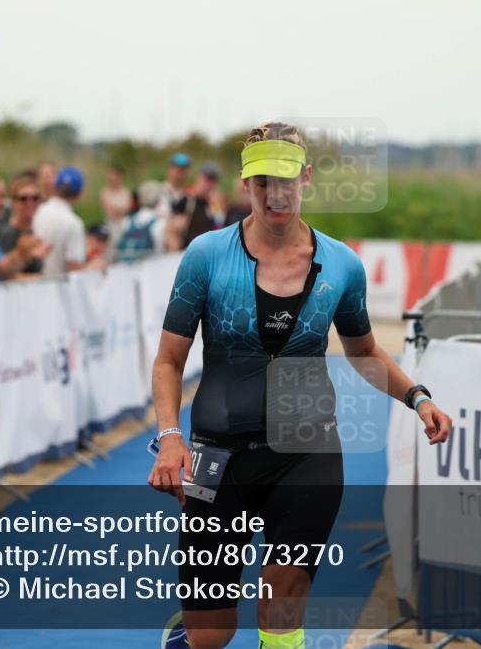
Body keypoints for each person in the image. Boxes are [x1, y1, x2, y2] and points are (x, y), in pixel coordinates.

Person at [149, 122, 452, 649]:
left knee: (283, 609)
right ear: (247, 185)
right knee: (209, 636)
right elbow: (169, 360)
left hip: (306, 449)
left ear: (306, 177)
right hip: (216, 454)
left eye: (286, 178)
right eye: (263, 181)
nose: (276, 193)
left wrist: (417, 397)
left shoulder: (341, 264)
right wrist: (171, 436)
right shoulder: (206, 255)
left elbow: (365, 351)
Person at [32, 165, 97, 277]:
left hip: (35, 286)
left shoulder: (38, 211)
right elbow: (75, 269)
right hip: (58, 289)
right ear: (80, 193)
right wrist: (96, 266)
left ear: (55, 187)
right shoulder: (74, 223)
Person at [0, 174, 46, 276]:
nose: (30, 203)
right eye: (23, 198)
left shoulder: (35, 230)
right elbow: (4, 275)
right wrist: (40, 279)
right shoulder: (8, 234)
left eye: (35, 198)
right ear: (14, 202)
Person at [169, 160, 223, 250]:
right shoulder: (187, 200)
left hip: (208, 252)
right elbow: (172, 230)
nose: (211, 183)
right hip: (186, 251)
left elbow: (219, 225)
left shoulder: (215, 202)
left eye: (214, 179)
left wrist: (215, 205)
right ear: (199, 177)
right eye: (208, 178)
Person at [116, 180, 169, 263]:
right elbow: (160, 252)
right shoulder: (160, 224)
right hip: (150, 270)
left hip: (125, 269)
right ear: (158, 200)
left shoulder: (127, 221)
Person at [101, 166, 132, 244]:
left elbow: (128, 209)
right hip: (111, 226)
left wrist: (118, 209)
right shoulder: (105, 192)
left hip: (124, 226)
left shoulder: (125, 192)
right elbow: (110, 210)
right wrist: (121, 209)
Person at [157, 152, 191, 218]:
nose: (182, 172)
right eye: (179, 168)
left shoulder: (187, 195)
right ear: (169, 169)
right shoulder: (159, 191)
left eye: (185, 168)